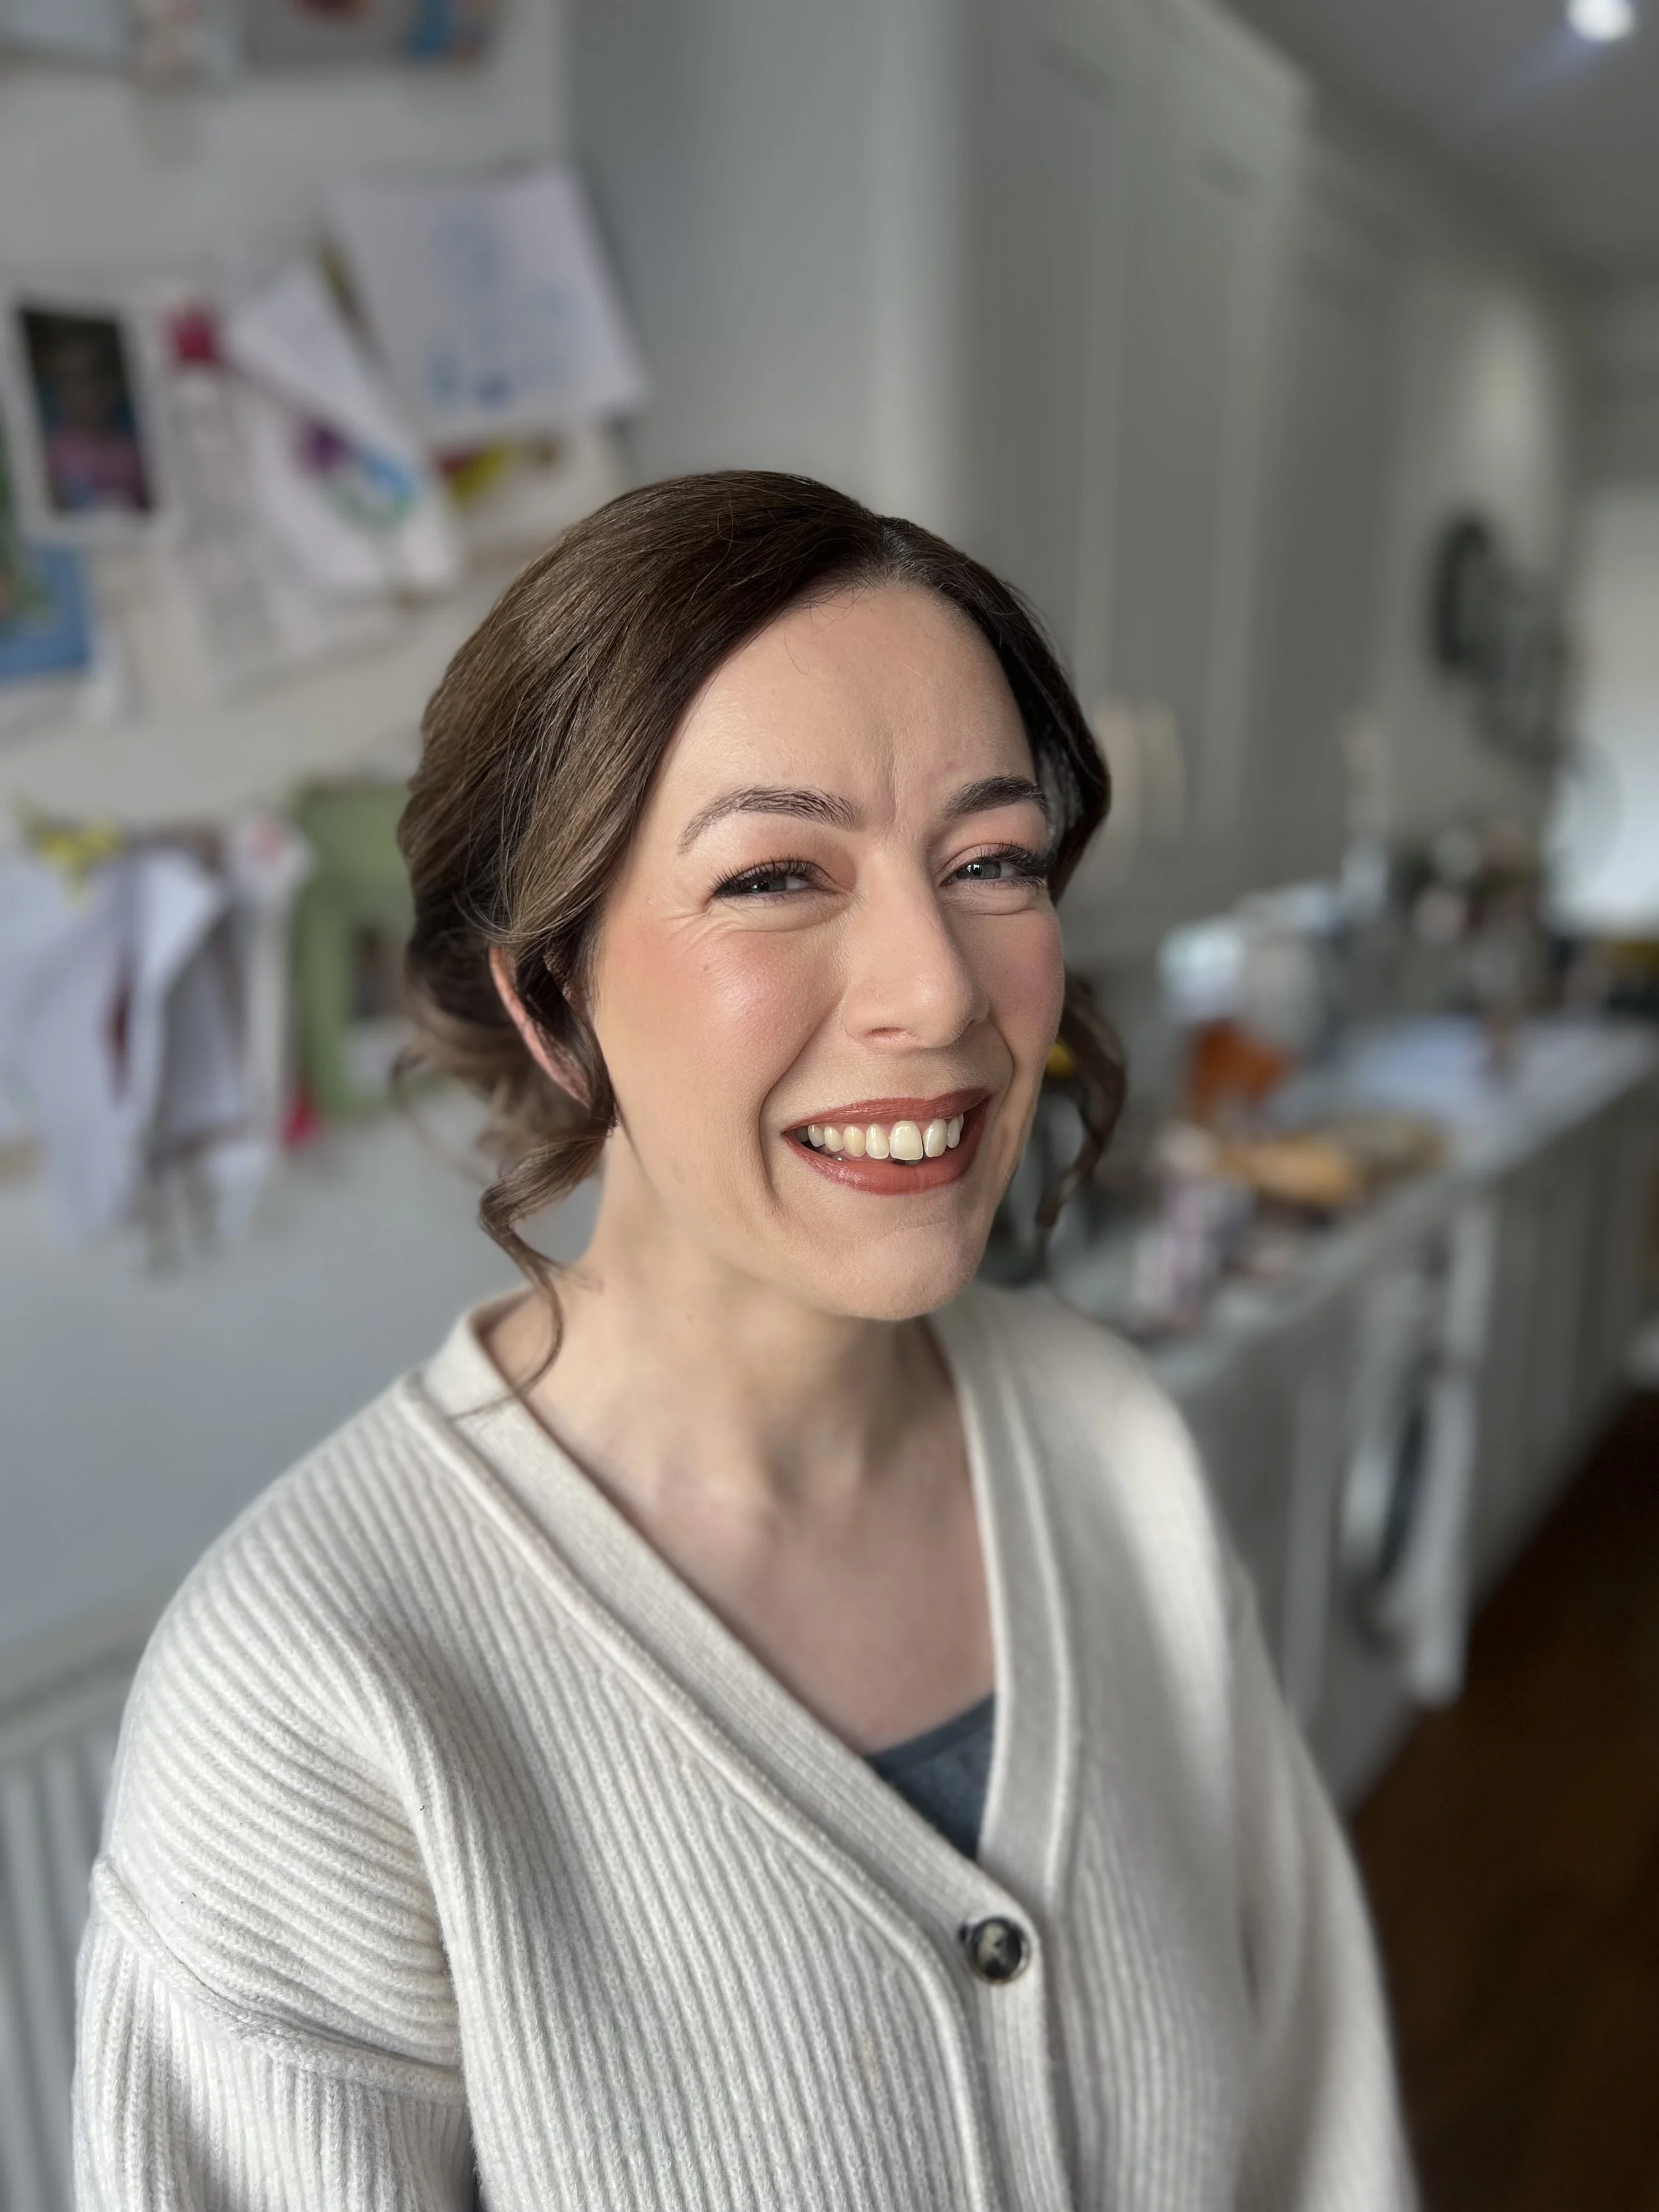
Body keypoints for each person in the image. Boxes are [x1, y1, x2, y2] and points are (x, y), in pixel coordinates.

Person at [73, 473, 1415, 2210]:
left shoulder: (1109, 1447)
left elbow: (1318, 2139)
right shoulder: (314, 1698)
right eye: (775, 872)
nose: (934, 989)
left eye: (991, 859)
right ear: (546, 998)